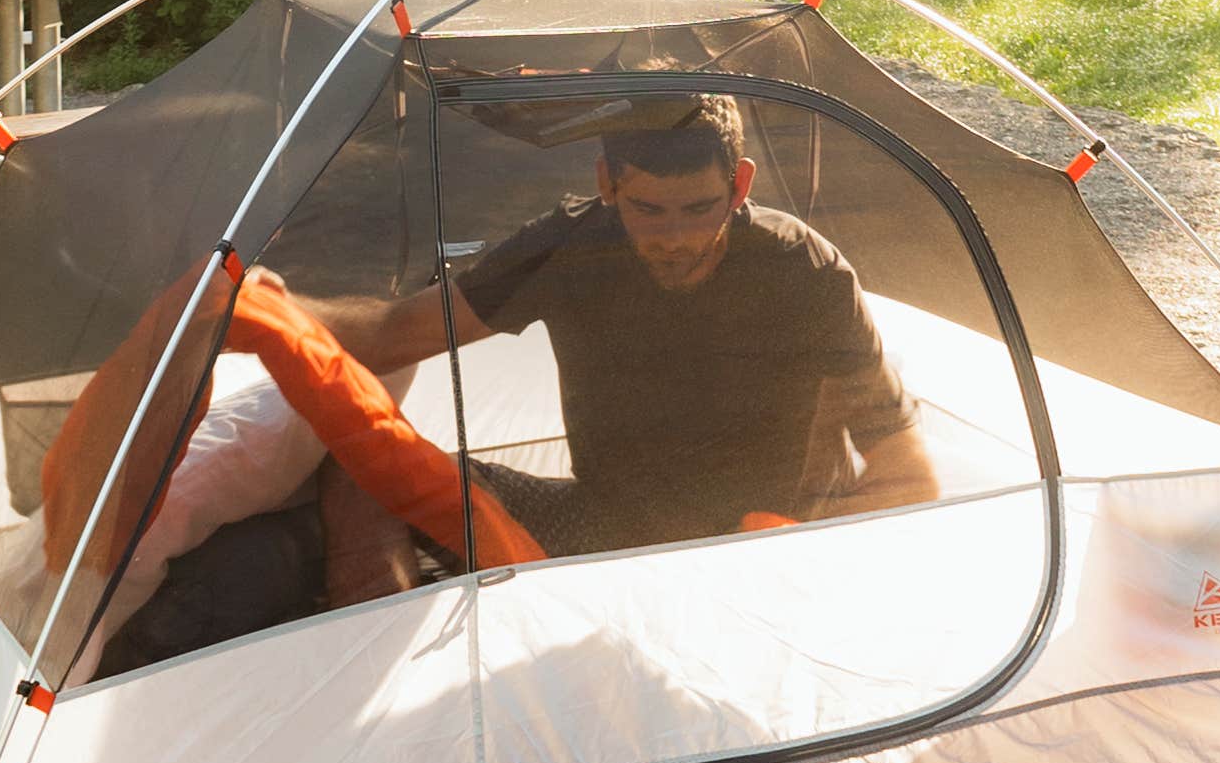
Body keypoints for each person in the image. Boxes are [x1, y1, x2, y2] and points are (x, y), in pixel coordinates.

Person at [317, 93, 938, 555]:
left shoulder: (802, 269)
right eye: (648, 210)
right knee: (366, 469)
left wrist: (798, 551)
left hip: (762, 545)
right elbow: (394, 333)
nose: (674, 239)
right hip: (608, 530)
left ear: (740, 185)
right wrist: (246, 305)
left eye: (700, 209)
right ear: (606, 185)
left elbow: (909, 474)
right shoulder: (569, 246)